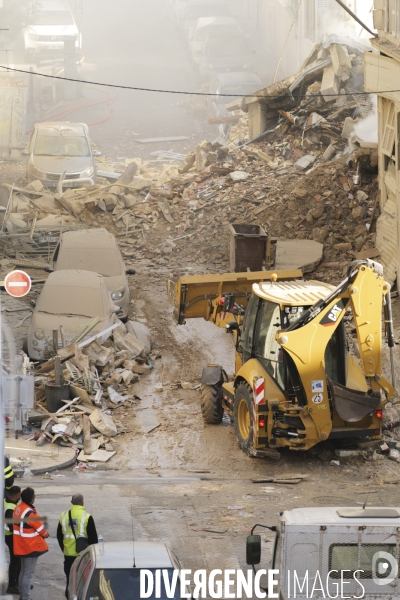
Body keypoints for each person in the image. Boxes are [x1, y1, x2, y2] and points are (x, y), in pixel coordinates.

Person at [57, 493, 98, 598]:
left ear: (71, 502)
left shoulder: (64, 516)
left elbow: (59, 535)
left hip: (68, 556)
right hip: (83, 556)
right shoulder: (87, 517)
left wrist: (65, 549)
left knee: (70, 582)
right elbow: (94, 540)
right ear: (82, 502)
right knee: (83, 583)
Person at [13, 487, 49, 600]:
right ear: (32, 499)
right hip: (30, 547)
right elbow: (43, 531)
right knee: (28, 573)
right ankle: (26, 598)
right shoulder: (30, 513)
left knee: (23, 571)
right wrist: (46, 534)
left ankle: (22, 596)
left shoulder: (18, 509)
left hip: (21, 545)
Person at [4, 486, 21, 594]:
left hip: (9, 535)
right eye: (19, 495)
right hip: (11, 536)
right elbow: (11, 525)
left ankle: (18, 582)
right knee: (15, 561)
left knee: (17, 560)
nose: (20, 497)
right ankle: (11, 585)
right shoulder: (10, 508)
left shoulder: (6, 501)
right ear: (16, 495)